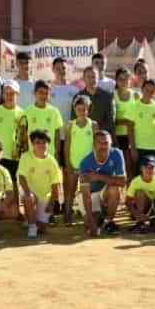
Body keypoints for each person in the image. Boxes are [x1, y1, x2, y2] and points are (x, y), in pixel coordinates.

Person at [78, 131, 127, 236]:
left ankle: (108, 221)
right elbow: (86, 195)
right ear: (94, 144)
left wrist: (98, 176)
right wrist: (92, 224)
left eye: (106, 143)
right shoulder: (85, 163)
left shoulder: (117, 154)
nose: (103, 146)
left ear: (111, 144)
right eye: (100, 143)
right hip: (90, 194)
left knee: (114, 189)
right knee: (89, 223)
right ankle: (99, 215)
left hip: (105, 191)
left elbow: (122, 182)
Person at [18, 130, 63, 239]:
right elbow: (21, 177)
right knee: (29, 198)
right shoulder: (25, 157)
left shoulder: (52, 161)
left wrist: (51, 202)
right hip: (30, 193)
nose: (41, 145)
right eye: (37, 142)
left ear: (48, 144)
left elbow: (55, 185)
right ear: (32, 144)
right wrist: (28, 193)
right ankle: (32, 226)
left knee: (42, 229)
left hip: (45, 196)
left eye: (44, 142)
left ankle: (30, 219)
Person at [63, 95, 98, 223]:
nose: (82, 112)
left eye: (84, 109)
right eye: (79, 109)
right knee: (70, 191)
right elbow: (67, 145)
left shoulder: (93, 125)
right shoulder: (70, 125)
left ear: (88, 109)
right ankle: (68, 214)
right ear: (74, 109)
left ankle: (88, 214)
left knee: (87, 191)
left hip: (88, 166)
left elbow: (96, 146)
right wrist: (68, 164)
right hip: (73, 164)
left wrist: (94, 164)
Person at [50, 57, 80, 167]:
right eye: (57, 68)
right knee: (55, 167)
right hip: (54, 135)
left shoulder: (74, 90)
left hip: (70, 134)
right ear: (53, 70)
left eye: (63, 68)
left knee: (69, 167)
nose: (61, 71)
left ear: (67, 69)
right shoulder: (49, 90)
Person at [126, 156, 155, 234]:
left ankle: (154, 221)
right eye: (146, 167)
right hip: (139, 208)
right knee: (140, 193)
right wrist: (137, 214)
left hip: (154, 208)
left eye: (151, 167)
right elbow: (128, 201)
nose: (149, 170)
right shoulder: (135, 181)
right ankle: (140, 223)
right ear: (141, 168)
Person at [24, 80, 64, 160]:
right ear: (34, 93)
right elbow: (24, 135)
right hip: (32, 156)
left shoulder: (54, 111)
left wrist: (57, 154)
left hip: (49, 156)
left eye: (46, 93)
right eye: (41, 92)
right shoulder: (27, 111)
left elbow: (57, 135)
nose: (43, 96)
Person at [71, 66, 116, 135]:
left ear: (98, 78)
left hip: (102, 137)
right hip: (83, 136)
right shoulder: (77, 97)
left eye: (94, 77)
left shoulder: (107, 97)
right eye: (88, 77)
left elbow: (110, 120)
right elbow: (74, 119)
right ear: (84, 79)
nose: (91, 80)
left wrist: (97, 131)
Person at [130, 79, 155, 169]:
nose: (149, 93)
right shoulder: (134, 106)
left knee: (151, 174)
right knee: (138, 174)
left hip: (153, 148)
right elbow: (130, 129)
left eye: (152, 91)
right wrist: (133, 149)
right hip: (138, 147)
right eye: (147, 90)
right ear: (142, 89)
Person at [113, 67, 139, 178]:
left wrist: (129, 123)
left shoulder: (136, 95)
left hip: (133, 135)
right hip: (117, 136)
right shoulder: (112, 95)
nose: (124, 82)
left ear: (130, 80)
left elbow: (138, 118)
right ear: (116, 80)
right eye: (120, 79)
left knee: (131, 166)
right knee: (121, 168)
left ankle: (131, 188)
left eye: (126, 79)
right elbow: (111, 120)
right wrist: (126, 121)